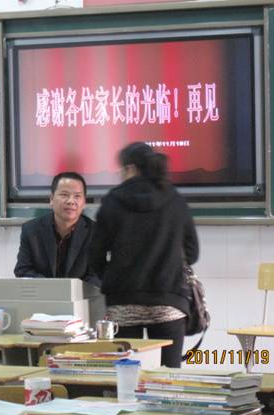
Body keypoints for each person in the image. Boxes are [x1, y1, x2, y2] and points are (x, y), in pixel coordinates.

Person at [89, 142, 199, 368]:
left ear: (130, 168)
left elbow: (94, 256)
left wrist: (113, 278)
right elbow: (192, 252)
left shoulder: (112, 200)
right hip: (168, 301)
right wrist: (169, 265)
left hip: (123, 301)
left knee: (127, 376)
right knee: (168, 376)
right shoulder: (174, 199)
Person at [14, 172, 99, 285]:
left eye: (77, 196)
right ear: (51, 199)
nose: (70, 201)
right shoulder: (31, 230)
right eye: (64, 195)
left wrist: (72, 290)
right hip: (44, 294)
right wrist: (53, 288)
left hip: (80, 295)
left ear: (84, 202)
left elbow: (97, 275)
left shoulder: (96, 232)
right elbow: (23, 270)